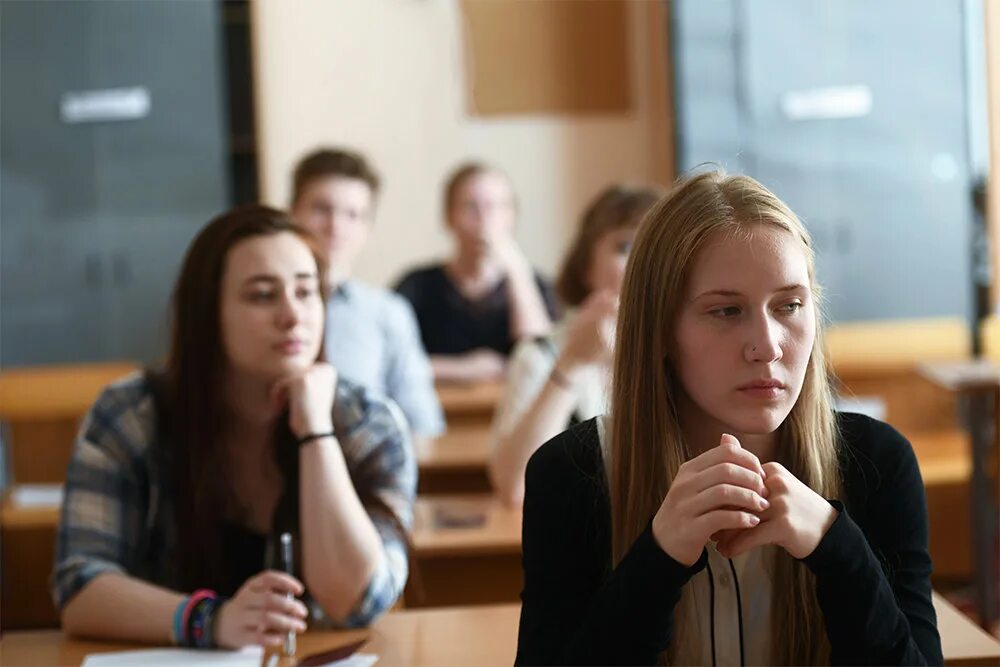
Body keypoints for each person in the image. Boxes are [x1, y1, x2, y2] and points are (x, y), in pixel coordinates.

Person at [516, 170, 942, 665]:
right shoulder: (571, 473)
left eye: (789, 305)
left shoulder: (879, 462)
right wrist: (659, 555)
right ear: (660, 330)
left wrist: (835, 545)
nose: (767, 346)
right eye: (726, 312)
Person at [52, 206, 416, 650]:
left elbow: (356, 602)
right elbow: (81, 588)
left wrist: (315, 430)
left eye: (306, 292)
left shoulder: (368, 422)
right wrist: (212, 620)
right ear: (208, 313)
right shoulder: (130, 414)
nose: (292, 314)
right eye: (262, 295)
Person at [489, 185, 661, 506]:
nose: (642, 262)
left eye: (655, 249)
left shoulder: (686, 352)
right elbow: (515, 489)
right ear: (586, 266)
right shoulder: (538, 355)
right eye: (625, 247)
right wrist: (572, 364)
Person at [291, 148, 444, 442]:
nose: (335, 226)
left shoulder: (388, 311)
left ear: (368, 226)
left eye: (352, 214)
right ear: (293, 212)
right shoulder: (260, 305)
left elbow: (423, 421)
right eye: (321, 209)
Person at [395, 162, 559, 383]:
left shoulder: (535, 285)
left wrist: (517, 271)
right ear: (449, 217)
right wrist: (464, 369)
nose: (485, 218)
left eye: (497, 206)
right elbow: (392, 362)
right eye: (471, 206)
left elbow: (543, 359)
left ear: (513, 216)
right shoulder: (417, 286)